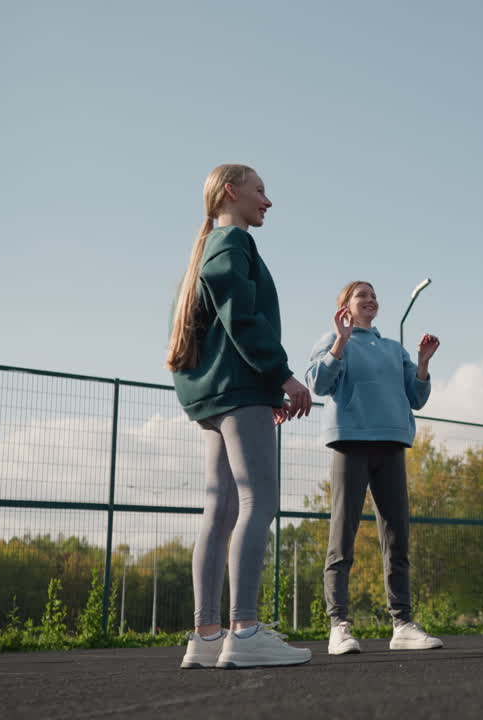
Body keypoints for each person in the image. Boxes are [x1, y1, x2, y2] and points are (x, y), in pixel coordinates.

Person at [167, 164, 313, 669]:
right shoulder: (233, 242)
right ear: (232, 192)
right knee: (258, 501)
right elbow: (240, 315)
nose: (267, 201)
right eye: (260, 190)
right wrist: (280, 376)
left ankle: (206, 636)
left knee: (222, 508)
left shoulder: (209, 246)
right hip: (240, 388)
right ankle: (245, 630)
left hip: (215, 395)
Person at [307, 281, 444, 655]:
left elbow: (416, 398)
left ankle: (402, 624)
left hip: (391, 443)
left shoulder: (392, 348)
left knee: (397, 535)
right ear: (345, 307)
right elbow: (319, 383)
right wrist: (339, 341)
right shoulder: (334, 339)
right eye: (361, 295)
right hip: (351, 442)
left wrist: (423, 363)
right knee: (343, 533)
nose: (370, 299)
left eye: (373, 295)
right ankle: (339, 625)